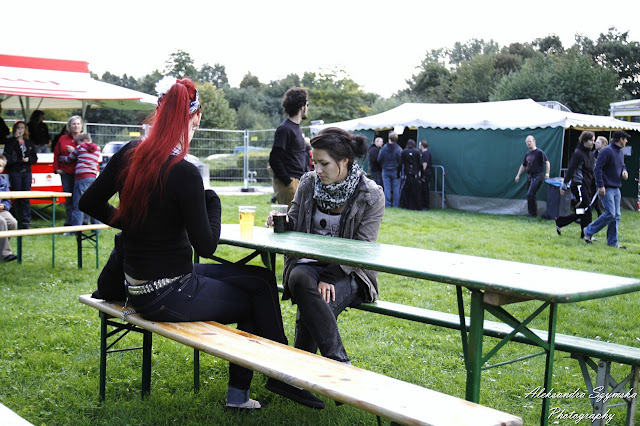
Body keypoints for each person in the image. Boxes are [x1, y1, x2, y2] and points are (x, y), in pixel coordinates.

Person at [79, 77, 324, 411]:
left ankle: (277, 372)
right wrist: (213, 203)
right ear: (193, 118)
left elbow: (90, 201)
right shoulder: (183, 172)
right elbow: (206, 245)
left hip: (140, 284)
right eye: (196, 123)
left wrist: (127, 221)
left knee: (262, 279)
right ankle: (266, 381)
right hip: (167, 293)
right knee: (254, 300)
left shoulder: (130, 154)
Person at [267, 127, 384, 365]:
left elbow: (362, 248)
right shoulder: (308, 183)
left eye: (324, 164)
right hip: (308, 265)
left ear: (344, 161)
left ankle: (299, 374)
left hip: (351, 271)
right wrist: (284, 221)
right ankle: (339, 365)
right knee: (299, 278)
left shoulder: (371, 195)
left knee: (316, 305)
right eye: (315, 163)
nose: (317, 170)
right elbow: (295, 219)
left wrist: (330, 276)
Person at [583, 130, 630, 248]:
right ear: (620, 139)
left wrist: (624, 171)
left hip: (616, 188)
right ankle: (588, 230)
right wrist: (600, 186)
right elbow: (597, 169)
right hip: (606, 188)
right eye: (625, 139)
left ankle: (612, 242)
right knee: (610, 214)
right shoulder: (606, 151)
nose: (626, 141)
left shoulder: (620, 152)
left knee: (616, 216)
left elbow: (622, 165)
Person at [269, 87, 309, 207]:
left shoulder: (296, 128)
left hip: (299, 180)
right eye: (307, 104)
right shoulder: (285, 129)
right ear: (302, 106)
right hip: (290, 183)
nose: (307, 107)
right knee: (290, 218)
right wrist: (287, 182)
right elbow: (274, 158)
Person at [555, 131, 596, 238]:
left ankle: (561, 222)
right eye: (591, 140)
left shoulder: (591, 155)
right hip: (579, 184)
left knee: (584, 211)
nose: (593, 142)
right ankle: (587, 234)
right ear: (584, 141)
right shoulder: (578, 153)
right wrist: (564, 185)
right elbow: (571, 169)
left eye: (594, 140)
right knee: (587, 209)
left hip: (587, 185)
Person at [61, 133, 101, 226]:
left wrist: (62, 158)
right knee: (92, 203)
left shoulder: (80, 147)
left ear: (84, 141)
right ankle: (96, 228)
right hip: (92, 177)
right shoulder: (98, 149)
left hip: (81, 177)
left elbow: (69, 159)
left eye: (78, 143)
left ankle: (76, 228)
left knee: (78, 204)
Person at [3, 121, 37, 228]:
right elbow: (6, 155)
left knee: (26, 197)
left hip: (26, 171)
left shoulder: (29, 142)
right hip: (15, 170)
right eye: (18, 128)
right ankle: (18, 219)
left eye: (22, 128)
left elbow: (35, 158)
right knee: (17, 196)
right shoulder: (10, 141)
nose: (20, 130)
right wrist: (15, 139)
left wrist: (28, 159)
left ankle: (26, 221)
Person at [54, 115, 82, 226]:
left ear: (81, 126)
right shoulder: (63, 139)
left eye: (78, 124)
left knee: (80, 199)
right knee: (68, 199)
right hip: (66, 172)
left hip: (80, 174)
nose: (76, 126)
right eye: (73, 124)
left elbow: (91, 152)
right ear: (69, 126)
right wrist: (57, 168)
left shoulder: (84, 138)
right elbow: (56, 154)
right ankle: (69, 224)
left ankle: (81, 224)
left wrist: (75, 150)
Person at [514, 135, 550, 217]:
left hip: (538, 176)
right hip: (530, 176)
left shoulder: (539, 152)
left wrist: (547, 174)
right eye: (527, 142)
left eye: (530, 141)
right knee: (531, 195)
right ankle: (533, 213)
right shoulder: (527, 154)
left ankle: (532, 213)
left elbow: (547, 162)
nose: (528, 143)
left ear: (534, 141)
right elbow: (523, 165)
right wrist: (518, 175)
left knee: (530, 194)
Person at [0, 155, 18, 262]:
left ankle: (2, 249)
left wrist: (4, 206)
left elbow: (8, 200)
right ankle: (5, 254)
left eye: (0, 166)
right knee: (1, 222)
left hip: (1, 209)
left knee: (13, 222)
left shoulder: (2, 182)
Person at [377, 131, 402, 207]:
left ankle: (387, 204)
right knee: (396, 189)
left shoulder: (383, 149)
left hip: (385, 170)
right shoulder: (398, 149)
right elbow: (401, 160)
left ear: (389, 138)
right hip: (395, 171)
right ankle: (396, 204)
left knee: (387, 188)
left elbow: (379, 159)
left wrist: (383, 165)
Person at [399, 139, 422, 210]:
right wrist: (420, 172)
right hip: (414, 174)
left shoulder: (404, 152)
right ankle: (414, 206)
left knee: (405, 190)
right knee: (415, 190)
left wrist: (398, 172)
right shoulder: (417, 152)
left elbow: (400, 163)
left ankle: (405, 205)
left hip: (406, 174)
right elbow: (420, 163)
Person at [593, 136, 609, 217]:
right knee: (593, 196)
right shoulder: (593, 154)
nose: (595, 143)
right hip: (593, 179)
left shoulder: (608, 154)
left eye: (598, 142)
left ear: (604, 144)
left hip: (605, 181)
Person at [419, 139, 432, 211]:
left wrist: (421, 173)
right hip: (426, 173)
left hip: (425, 174)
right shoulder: (426, 153)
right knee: (424, 189)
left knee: (425, 190)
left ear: (422, 145)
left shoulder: (425, 154)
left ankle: (425, 206)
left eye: (419, 145)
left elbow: (424, 164)